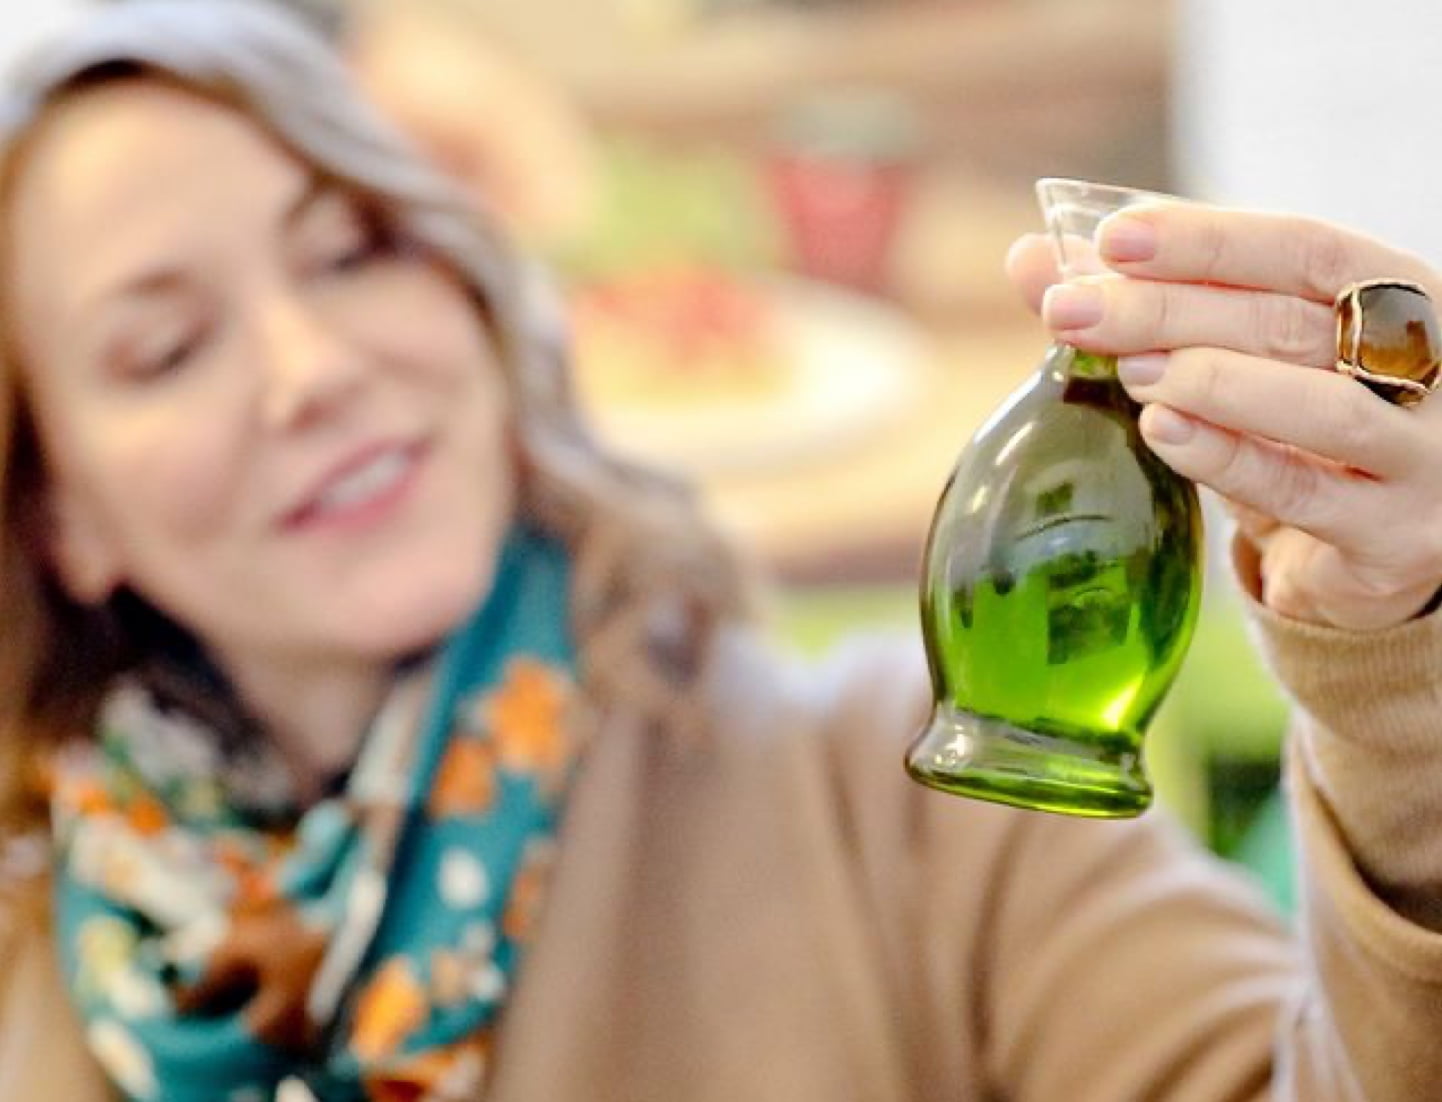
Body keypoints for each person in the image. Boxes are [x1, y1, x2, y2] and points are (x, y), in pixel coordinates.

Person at [0, 3, 1441, 1101]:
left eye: (354, 249)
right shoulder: (29, 959)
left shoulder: (914, 801)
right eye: (165, 345)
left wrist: (1401, 676)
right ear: (57, 509)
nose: (309, 365)